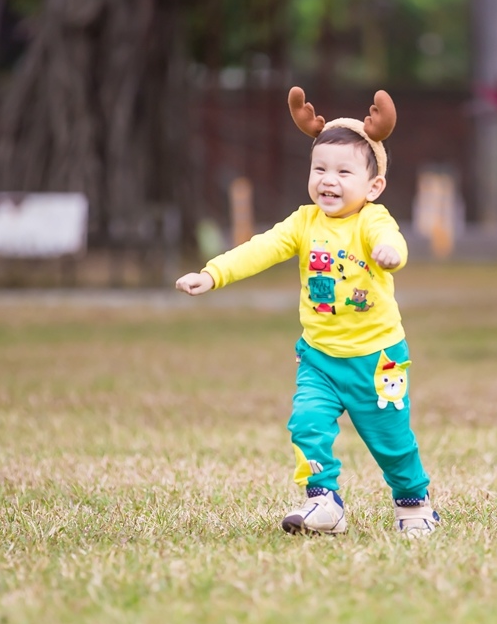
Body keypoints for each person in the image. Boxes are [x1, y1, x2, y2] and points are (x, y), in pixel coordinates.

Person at [175, 87, 440, 537]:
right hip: (318, 356)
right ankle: (324, 501)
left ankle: (413, 504)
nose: (328, 180)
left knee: (391, 442)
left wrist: (389, 251)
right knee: (307, 425)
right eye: (319, 169)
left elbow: (392, 237)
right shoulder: (303, 222)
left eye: (342, 171)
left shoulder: (371, 220)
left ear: (373, 185)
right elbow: (260, 249)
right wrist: (213, 273)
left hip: (377, 359)